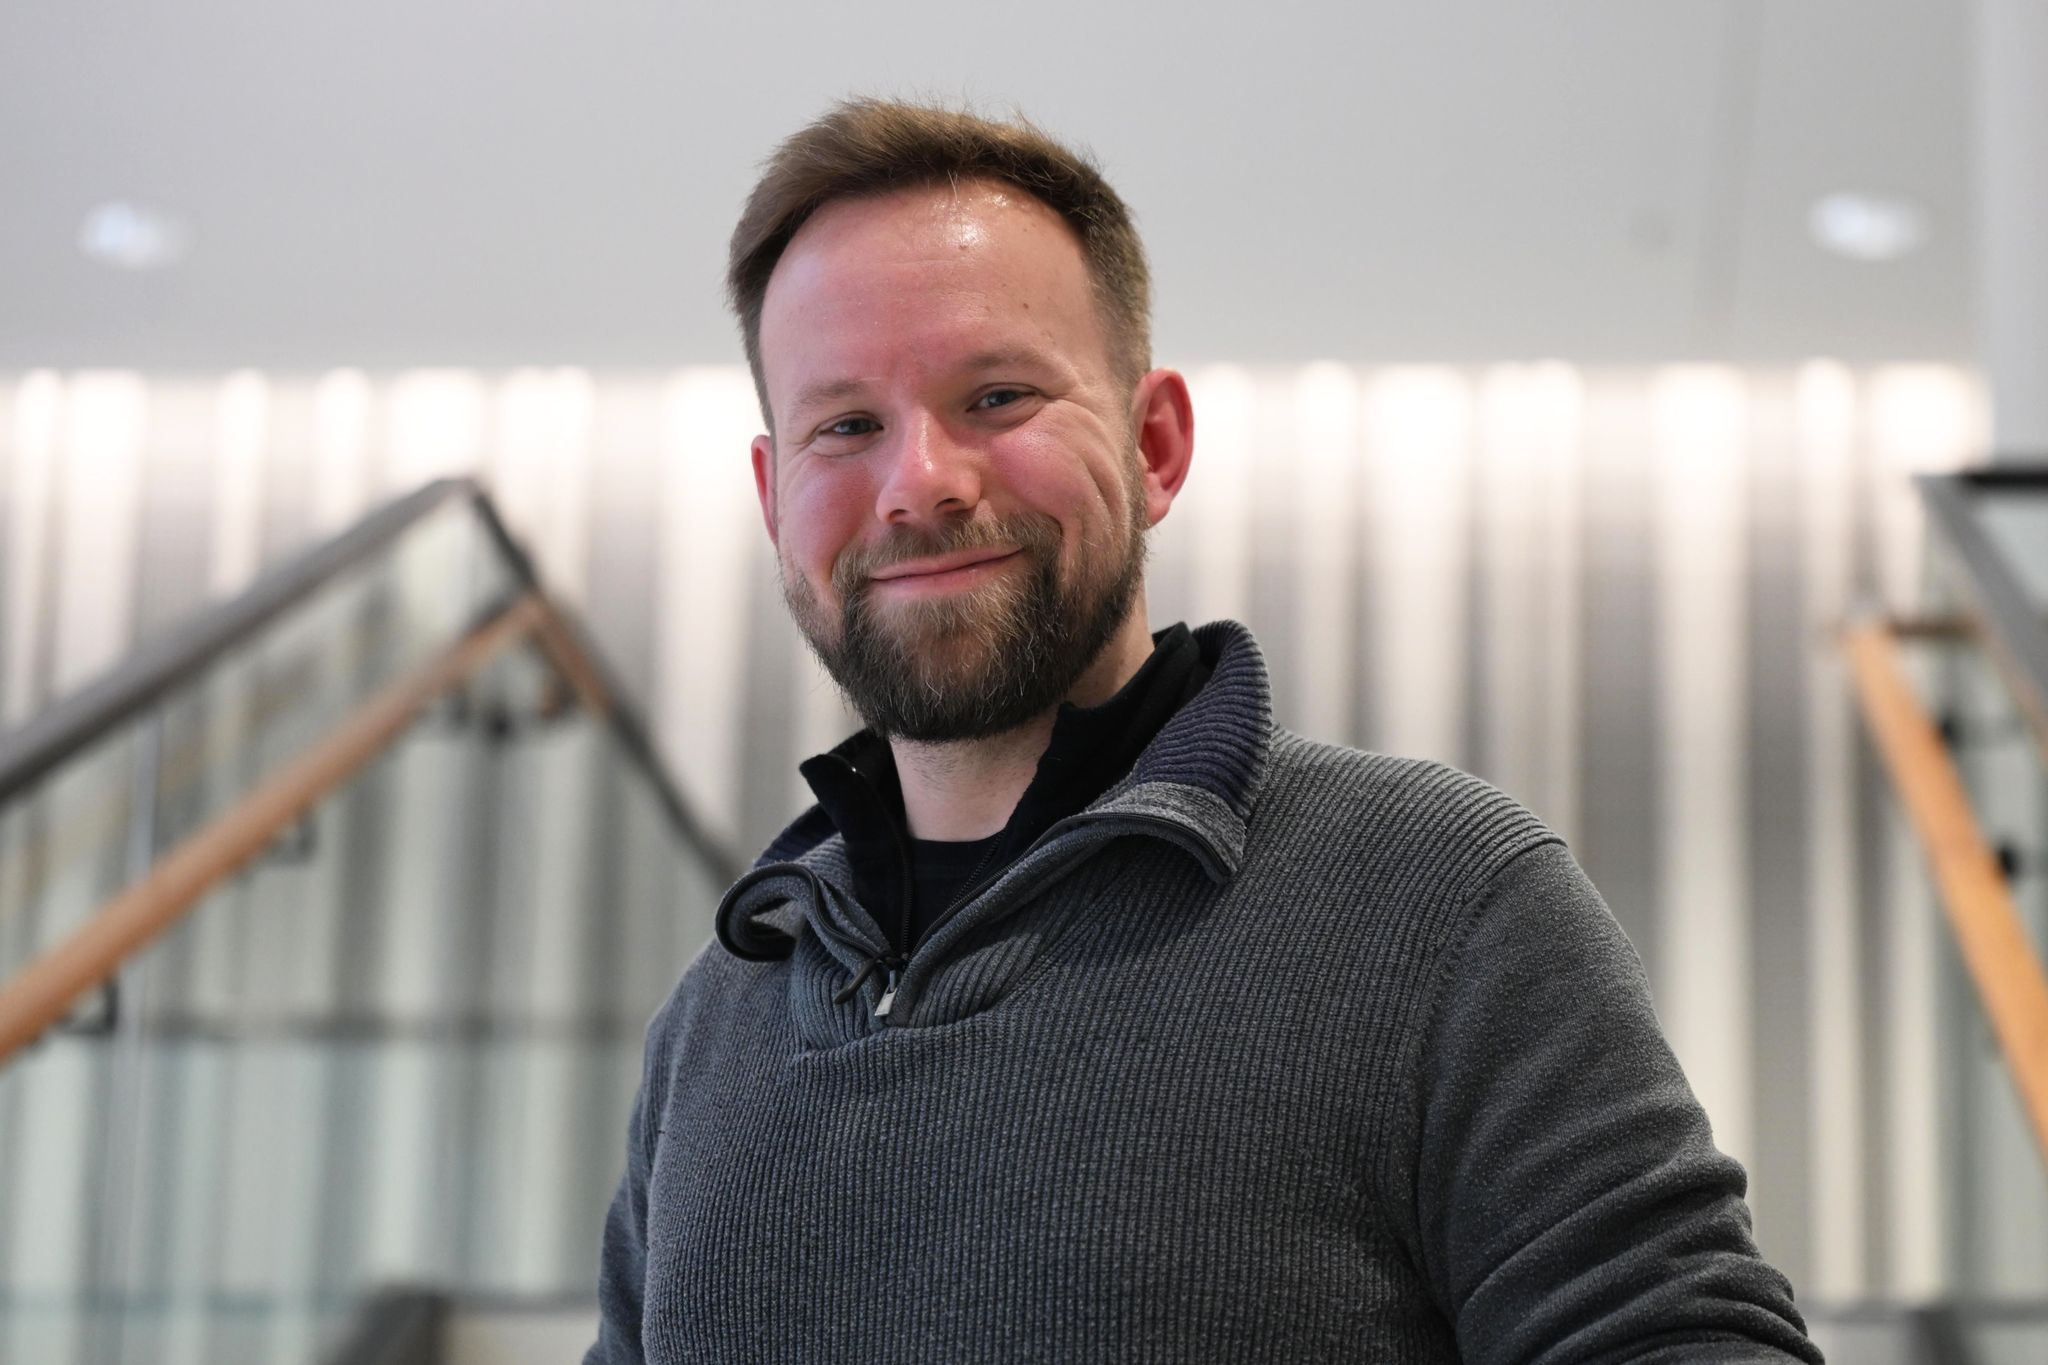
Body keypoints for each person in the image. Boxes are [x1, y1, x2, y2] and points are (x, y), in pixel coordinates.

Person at [588, 99, 1822, 1364]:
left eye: (997, 397)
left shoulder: (1439, 901)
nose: (920, 484)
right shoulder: (717, 1017)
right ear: (772, 496)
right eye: (845, 426)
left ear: (1154, 445)